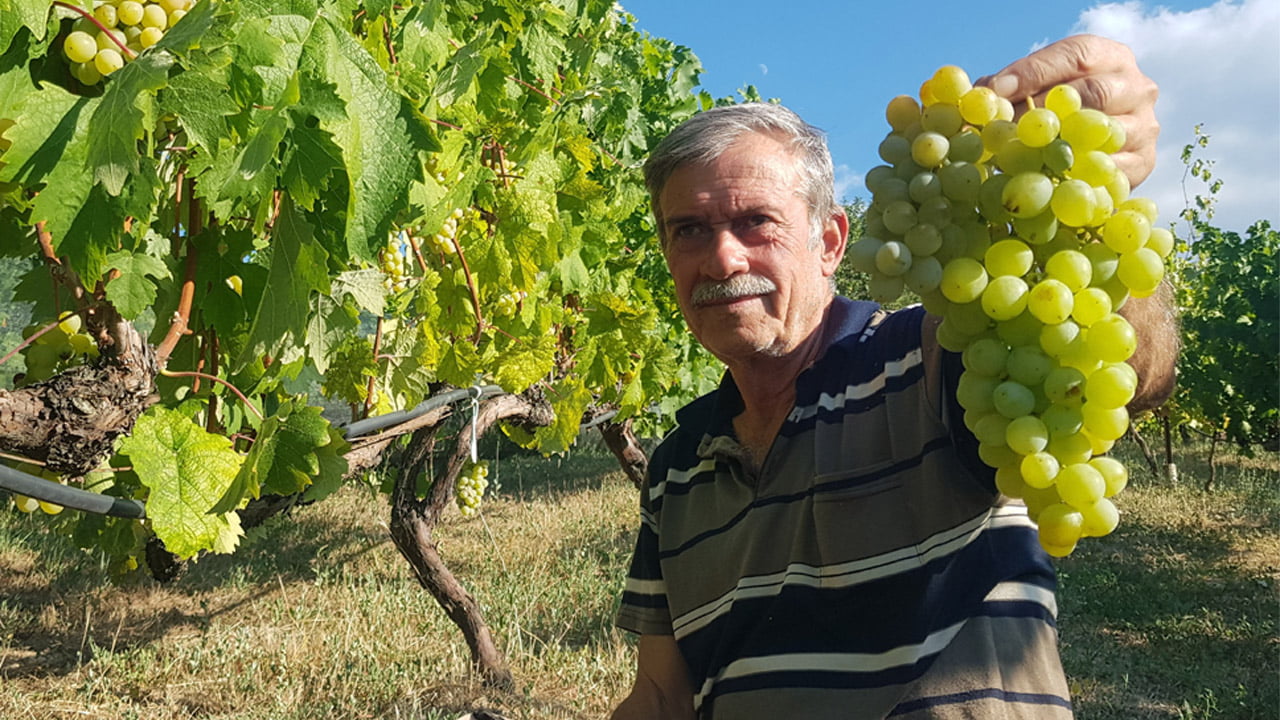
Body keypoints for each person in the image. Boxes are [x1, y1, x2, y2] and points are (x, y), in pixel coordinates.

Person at [611, 35, 1176, 720]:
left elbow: (1126, 365)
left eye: (755, 221)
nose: (723, 258)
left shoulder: (929, 361)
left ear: (830, 243)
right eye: (689, 230)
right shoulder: (675, 467)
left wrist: (1094, 199)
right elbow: (662, 697)